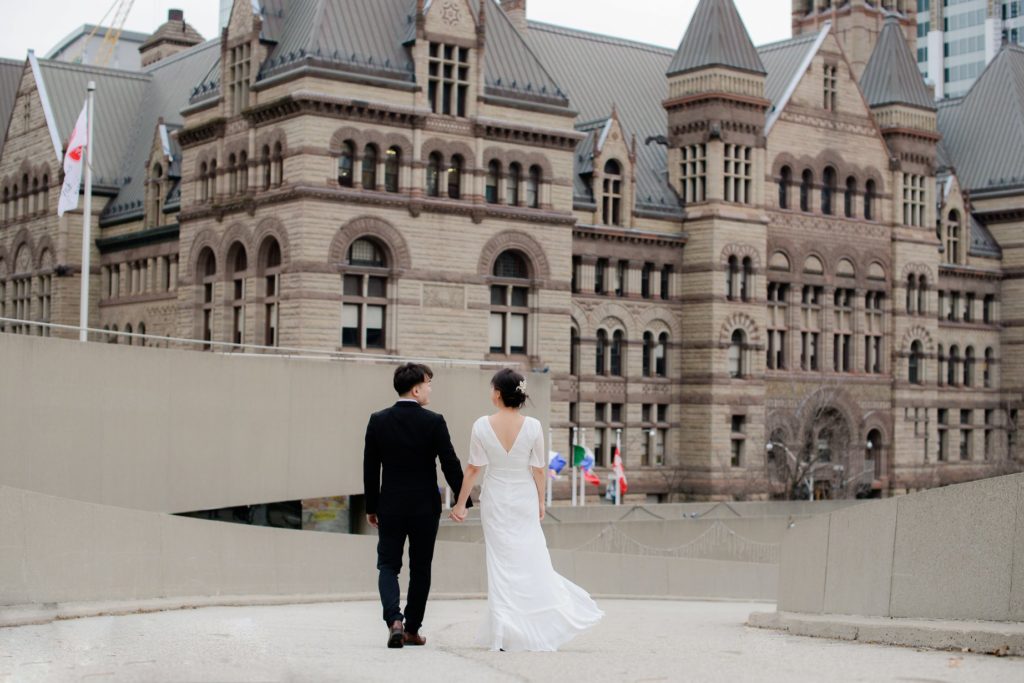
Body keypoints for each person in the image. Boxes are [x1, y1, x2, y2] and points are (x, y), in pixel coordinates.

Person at [450, 368, 603, 652]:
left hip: (495, 498)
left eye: (491, 388)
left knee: (500, 563)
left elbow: (473, 469)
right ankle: (527, 625)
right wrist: (540, 502)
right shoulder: (533, 426)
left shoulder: (481, 425)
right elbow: (539, 471)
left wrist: (460, 504)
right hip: (523, 498)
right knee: (529, 557)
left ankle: (505, 631)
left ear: (497, 393)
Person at [363, 363, 473, 649]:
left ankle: (394, 621)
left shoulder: (378, 420)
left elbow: (370, 468)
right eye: (428, 384)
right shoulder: (434, 421)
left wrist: (371, 506)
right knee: (421, 568)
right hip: (425, 506)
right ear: (415, 389)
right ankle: (411, 629)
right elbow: (450, 463)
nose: (430, 389)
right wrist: (464, 501)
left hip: (391, 505)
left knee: (388, 565)